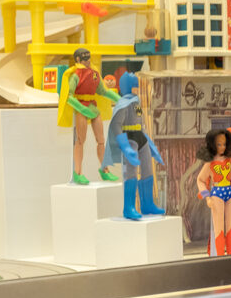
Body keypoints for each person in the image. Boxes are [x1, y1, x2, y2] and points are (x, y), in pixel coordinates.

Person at [103, 72, 165, 220]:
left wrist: (151, 145)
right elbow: (116, 125)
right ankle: (129, 207)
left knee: (147, 169)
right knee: (130, 173)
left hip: (141, 137)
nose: (138, 89)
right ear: (129, 87)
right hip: (130, 138)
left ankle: (147, 204)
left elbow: (141, 125)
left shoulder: (136, 102)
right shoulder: (123, 104)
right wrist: (124, 146)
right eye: (136, 86)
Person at [57, 48, 119, 185]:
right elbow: (68, 96)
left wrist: (119, 98)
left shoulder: (94, 73)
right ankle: (78, 173)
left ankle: (105, 170)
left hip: (92, 106)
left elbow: (103, 91)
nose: (87, 61)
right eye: (84, 58)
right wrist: (82, 108)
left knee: (101, 140)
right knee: (80, 140)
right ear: (78, 59)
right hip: (81, 107)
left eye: (88, 58)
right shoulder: (75, 75)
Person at [196, 128, 231, 256]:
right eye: (219, 144)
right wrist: (207, 196)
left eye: (224, 144)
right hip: (217, 194)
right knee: (219, 227)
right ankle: (220, 256)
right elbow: (200, 179)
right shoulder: (210, 162)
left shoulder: (230, 160)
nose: (222, 147)